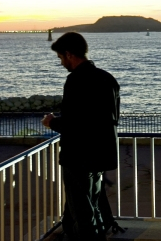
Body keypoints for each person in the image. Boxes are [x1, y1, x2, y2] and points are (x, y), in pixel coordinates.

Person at [41, 32, 120, 241]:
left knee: (82, 212)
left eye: (60, 58)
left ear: (69, 54)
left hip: (78, 157)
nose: (61, 63)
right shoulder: (108, 79)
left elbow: (75, 125)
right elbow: (110, 119)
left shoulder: (76, 81)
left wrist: (52, 122)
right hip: (101, 156)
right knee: (92, 204)